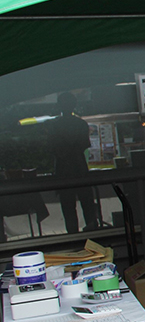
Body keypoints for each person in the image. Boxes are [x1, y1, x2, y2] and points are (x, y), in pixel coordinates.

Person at [50, 92, 97, 233]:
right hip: (80, 168)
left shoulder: (55, 125)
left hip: (63, 172)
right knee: (88, 206)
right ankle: (93, 235)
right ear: (74, 105)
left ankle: (73, 237)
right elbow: (84, 144)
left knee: (68, 208)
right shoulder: (81, 124)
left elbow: (53, 148)